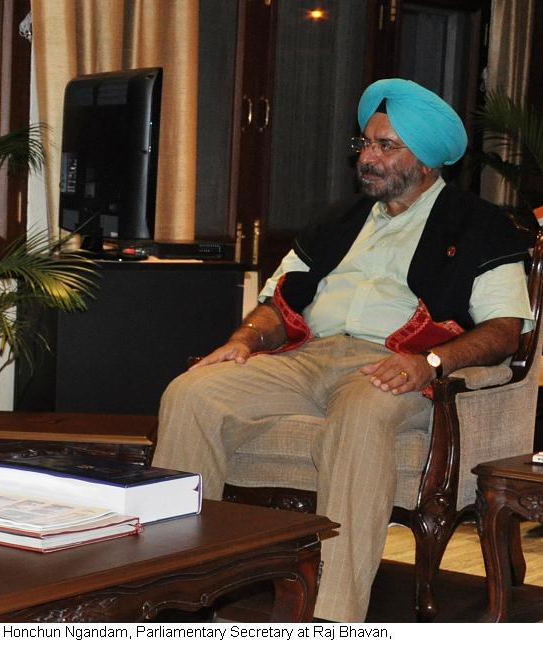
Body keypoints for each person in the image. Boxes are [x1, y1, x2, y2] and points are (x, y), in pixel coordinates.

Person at [153, 78, 533, 622]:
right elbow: (276, 300)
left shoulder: (480, 224)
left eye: (386, 146)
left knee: (360, 413)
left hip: (396, 364)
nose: (368, 158)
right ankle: (177, 594)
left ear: (425, 161)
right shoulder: (337, 219)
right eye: (366, 144)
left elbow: (505, 329)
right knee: (192, 394)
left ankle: (332, 619)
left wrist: (430, 363)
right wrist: (242, 341)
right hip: (308, 357)